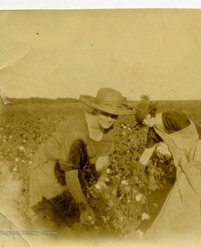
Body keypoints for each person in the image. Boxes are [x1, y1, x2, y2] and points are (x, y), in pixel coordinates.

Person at [29, 88, 135, 227]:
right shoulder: (77, 131)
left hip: (71, 171)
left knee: (70, 219)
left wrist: (100, 184)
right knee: (47, 219)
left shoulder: (108, 129)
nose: (110, 119)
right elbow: (70, 173)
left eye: (114, 115)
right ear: (96, 110)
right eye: (106, 113)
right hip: (48, 171)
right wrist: (84, 206)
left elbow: (103, 158)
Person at [134, 101, 201, 242]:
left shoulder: (172, 117)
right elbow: (147, 152)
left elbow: (190, 137)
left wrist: (171, 152)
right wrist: (139, 167)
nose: (145, 122)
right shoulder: (153, 131)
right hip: (187, 160)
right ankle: (188, 225)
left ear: (151, 114)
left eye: (145, 118)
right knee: (186, 189)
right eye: (142, 121)